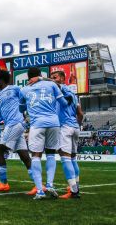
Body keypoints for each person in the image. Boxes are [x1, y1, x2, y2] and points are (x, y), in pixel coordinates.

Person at [19, 67, 70, 200]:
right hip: (54, 123)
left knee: (36, 155)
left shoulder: (24, 89)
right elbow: (64, 103)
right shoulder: (51, 84)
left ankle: (40, 191)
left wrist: (29, 103)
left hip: (37, 124)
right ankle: (50, 184)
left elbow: (21, 108)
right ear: (41, 75)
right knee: (51, 154)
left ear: (28, 77)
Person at [0, 70, 33, 192]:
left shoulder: (15, 89)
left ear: (2, 79)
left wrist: (28, 115)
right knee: (24, 156)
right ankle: (38, 185)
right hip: (11, 125)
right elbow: (0, 115)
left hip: (15, 124)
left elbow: (27, 99)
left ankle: (3, 183)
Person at [50, 70, 84, 199]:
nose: (53, 79)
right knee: (73, 159)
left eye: (55, 77)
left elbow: (55, 85)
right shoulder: (74, 95)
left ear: (63, 79)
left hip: (65, 127)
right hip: (75, 127)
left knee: (65, 158)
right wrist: (78, 126)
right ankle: (75, 187)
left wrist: (41, 78)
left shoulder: (61, 88)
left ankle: (74, 191)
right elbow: (80, 113)